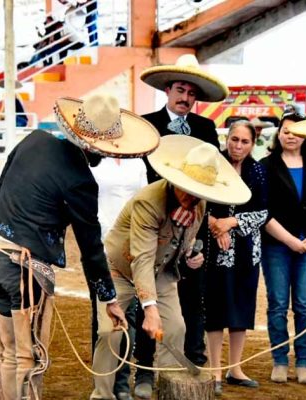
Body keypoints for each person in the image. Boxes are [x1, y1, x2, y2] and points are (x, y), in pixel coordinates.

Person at [0, 93, 156, 399]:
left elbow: (1, 189)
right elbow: (91, 249)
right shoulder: (80, 181)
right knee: (28, 356)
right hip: (27, 269)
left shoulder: (33, 140)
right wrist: (109, 299)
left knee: (9, 351)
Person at [90, 135, 251, 400]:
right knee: (110, 331)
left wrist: (190, 257)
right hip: (121, 269)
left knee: (176, 327)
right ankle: (102, 395)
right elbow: (141, 257)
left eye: (199, 193)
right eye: (188, 189)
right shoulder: (148, 202)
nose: (192, 197)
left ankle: (170, 391)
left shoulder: (199, 204)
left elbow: (180, 244)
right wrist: (150, 310)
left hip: (161, 270)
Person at [134, 53, 229, 398]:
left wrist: (204, 221)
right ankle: (145, 370)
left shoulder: (205, 130)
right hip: (155, 228)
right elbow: (141, 178)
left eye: (191, 92)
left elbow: (215, 178)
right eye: (179, 89)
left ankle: (193, 364)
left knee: (193, 298)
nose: (185, 97)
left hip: (194, 230)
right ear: (167, 91)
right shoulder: (146, 126)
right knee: (151, 299)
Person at [260, 112, 306, 384]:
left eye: (296, 131)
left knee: (303, 305)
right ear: (278, 134)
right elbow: (262, 211)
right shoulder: (265, 166)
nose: (290, 135)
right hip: (277, 245)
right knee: (277, 304)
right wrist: (289, 240)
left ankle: (304, 362)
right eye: (286, 130)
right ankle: (280, 361)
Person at [203, 121, 267, 395]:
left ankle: (235, 368)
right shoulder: (212, 165)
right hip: (215, 249)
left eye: (244, 141)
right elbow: (199, 202)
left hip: (247, 250)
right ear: (226, 139)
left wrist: (231, 222)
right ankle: (215, 369)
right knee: (216, 308)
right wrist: (215, 224)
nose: (238, 145)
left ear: (253, 144)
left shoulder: (258, 171)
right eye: (234, 139)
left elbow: (263, 212)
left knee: (242, 306)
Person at [90, 153, 148, 400]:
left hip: (131, 247)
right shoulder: (93, 161)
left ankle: (122, 379)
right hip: (101, 246)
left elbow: (144, 201)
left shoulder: (137, 163)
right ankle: (104, 383)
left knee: (130, 314)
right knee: (105, 317)